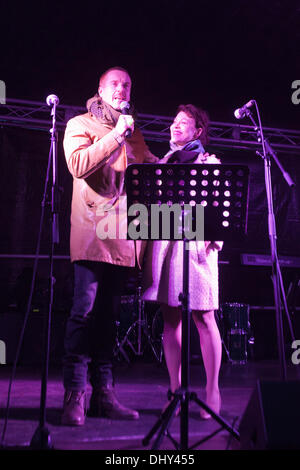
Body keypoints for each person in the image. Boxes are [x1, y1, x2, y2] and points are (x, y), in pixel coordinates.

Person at [62, 66, 157, 426]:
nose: (122, 89)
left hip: (125, 239)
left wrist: (174, 161)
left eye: (127, 84)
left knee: (108, 319)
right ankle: (75, 394)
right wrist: (117, 134)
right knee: (83, 312)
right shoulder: (79, 124)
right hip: (92, 235)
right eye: (114, 84)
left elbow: (150, 170)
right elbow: (78, 165)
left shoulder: (136, 134)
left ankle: (103, 393)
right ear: (100, 90)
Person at [142, 104, 223, 419]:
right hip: (167, 246)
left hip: (198, 247)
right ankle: (174, 389)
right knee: (171, 319)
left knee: (205, 318)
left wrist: (209, 239)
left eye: (183, 123)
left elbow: (221, 212)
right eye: (173, 122)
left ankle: (213, 390)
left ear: (197, 131)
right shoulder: (163, 163)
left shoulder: (209, 163)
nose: (175, 126)